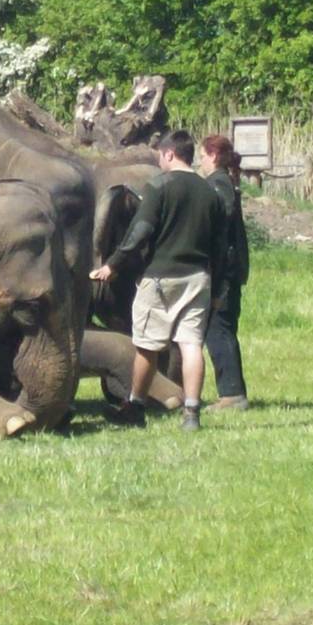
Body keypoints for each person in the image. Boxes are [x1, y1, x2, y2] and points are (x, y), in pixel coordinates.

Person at [90, 129, 227, 431]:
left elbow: (141, 230)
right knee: (191, 345)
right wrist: (218, 288)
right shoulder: (211, 193)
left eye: (160, 157)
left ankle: (135, 406)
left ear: (168, 154)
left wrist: (112, 264)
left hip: (161, 277)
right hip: (199, 277)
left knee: (146, 346)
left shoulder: (160, 186)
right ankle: (192, 413)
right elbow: (219, 247)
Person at [199, 134, 250, 410]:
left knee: (219, 329)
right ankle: (232, 391)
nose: (201, 161)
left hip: (224, 271)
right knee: (222, 328)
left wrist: (218, 282)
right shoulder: (226, 183)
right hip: (231, 269)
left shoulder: (218, 186)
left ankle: (232, 394)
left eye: (203, 156)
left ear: (214, 156)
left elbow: (222, 233)